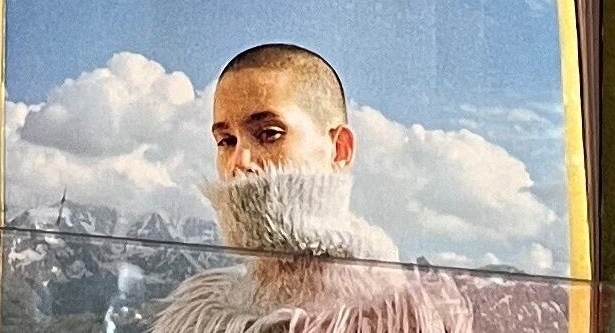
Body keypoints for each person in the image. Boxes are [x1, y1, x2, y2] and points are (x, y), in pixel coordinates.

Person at [154, 44, 469, 333]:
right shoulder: (204, 312)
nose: (240, 161)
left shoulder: (399, 315)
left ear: (339, 149)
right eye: (226, 141)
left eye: (268, 134)